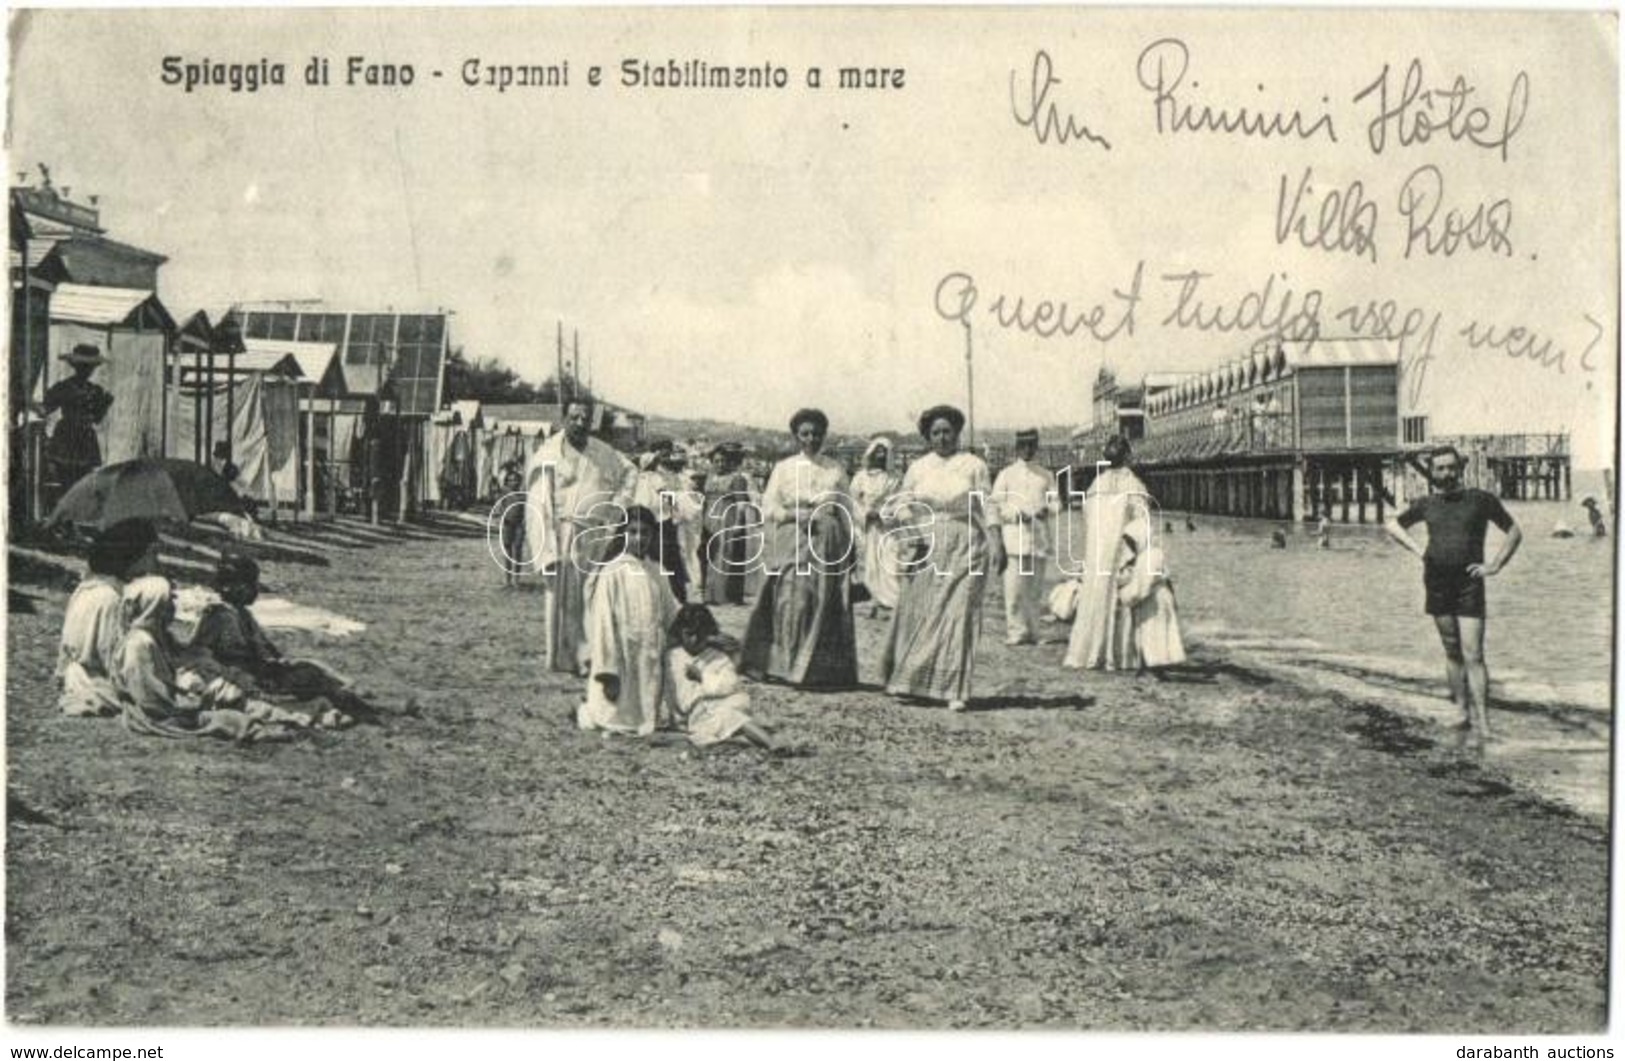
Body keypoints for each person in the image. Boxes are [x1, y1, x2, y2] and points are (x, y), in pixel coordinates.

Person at [1384, 447, 1523, 750]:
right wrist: (1419, 550)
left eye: (1450, 467)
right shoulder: (1427, 503)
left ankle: (1484, 722)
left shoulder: (1480, 500)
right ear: (1432, 473)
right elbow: (1392, 525)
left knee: (1474, 653)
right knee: (1451, 650)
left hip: (1469, 583)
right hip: (1436, 582)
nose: (1446, 473)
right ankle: (1461, 711)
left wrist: (1495, 565)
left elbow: (1514, 531)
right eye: (1440, 469)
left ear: (1459, 468)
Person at [880, 404, 1005, 711]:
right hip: (925, 543)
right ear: (927, 436)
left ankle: (955, 689)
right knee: (924, 611)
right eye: (936, 432)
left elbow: (987, 505)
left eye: (947, 431)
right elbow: (901, 503)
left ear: (957, 432)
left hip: (966, 542)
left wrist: (997, 541)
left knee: (959, 613)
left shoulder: (973, 465)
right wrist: (911, 533)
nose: (942, 438)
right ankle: (913, 682)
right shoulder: (918, 468)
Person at [741, 408, 859, 690]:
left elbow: (847, 509)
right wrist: (794, 516)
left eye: (817, 433)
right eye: (805, 433)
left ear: (824, 435)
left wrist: (852, 543)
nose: (811, 439)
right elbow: (768, 505)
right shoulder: (783, 468)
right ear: (796, 436)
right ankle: (784, 664)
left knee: (822, 599)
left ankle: (817, 669)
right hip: (792, 534)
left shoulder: (835, 469)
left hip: (827, 539)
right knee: (790, 596)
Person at [187, 552, 377, 725]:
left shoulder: (242, 614)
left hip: (261, 672)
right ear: (229, 586)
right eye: (248, 585)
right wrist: (238, 677)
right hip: (243, 680)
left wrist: (279, 664)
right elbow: (200, 656)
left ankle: (361, 703)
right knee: (309, 682)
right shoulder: (216, 617)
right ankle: (365, 708)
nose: (254, 590)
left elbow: (264, 648)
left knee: (311, 669)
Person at [113, 576, 309, 741]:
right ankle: (280, 727)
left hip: (173, 703)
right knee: (230, 720)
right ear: (155, 605)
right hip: (158, 715)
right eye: (168, 602)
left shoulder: (158, 637)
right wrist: (187, 702)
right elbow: (150, 699)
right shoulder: (139, 644)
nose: (173, 607)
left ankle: (290, 720)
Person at [524, 400, 638, 675]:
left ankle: (592, 657)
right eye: (573, 417)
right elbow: (538, 504)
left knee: (595, 596)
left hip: (596, 535)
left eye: (584, 418)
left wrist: (617, 506)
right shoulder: (548, 454)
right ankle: (566, 657)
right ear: (564, 419)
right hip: (562, 535)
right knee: (564, 600)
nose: (579, 423)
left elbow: (631, 473)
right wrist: (545, 549)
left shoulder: (604, 452)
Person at [577, 506, 680, 737]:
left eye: (645, 533)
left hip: (647, 654)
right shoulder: (613, 572)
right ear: (623, 534)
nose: (639, 539)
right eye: (632, 532)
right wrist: (607, 672)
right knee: (614, 717)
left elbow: (672, 614)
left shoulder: (657, 571)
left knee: (645, 713)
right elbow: (602, 625)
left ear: (653, 536)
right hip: (619, 657)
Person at [1063, 435, 1154, 671]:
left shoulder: (1096, 485)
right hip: (1122, 549)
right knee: (1121, 596)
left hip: (1097, 550)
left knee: (1096, 594)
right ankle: (1120, 655)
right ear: (1128, 456)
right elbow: (1142, 521)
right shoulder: (1134, 485)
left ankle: (1094, 650)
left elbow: (1087, 520)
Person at [57, 518, 159, 716]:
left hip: (76, 671)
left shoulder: (87, 588)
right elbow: (112, 657)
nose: (154, 562)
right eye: (151, 554)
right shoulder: (110, 598)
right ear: (134, 556)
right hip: (94, 679)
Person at [667, 604, 777, 752]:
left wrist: (703, 677)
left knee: (730, 716)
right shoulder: (672, 656)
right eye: (689, 634)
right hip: (692, 714)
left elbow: (730, 685)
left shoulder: (717, 657)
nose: (694, 640)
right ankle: (745, 741)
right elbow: (671, 690)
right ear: (680, 633)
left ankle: (771, 743)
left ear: (708, 634)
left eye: (700, 635)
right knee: (715, 729)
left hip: (719, 706)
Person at [990, 428, 1054, 646]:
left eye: (1031, 446)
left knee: (1035, 590)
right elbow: (996, 504)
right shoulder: (1006, 474)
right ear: (1017, 448)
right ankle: (1016, 631)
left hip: (1038, 538)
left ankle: (1035, 631)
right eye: (1023, 446)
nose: (1027, 450)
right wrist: (1016, 514)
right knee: (1014, 589)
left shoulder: (1046, 475)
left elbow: (1057, 502)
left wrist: (1048, 509)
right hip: (1014, 539)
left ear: (1036, 447)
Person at [40, 344, 114, 504]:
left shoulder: (96, 391)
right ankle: (65, 521)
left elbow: (96, 419)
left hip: (86, 440)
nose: (87, 370)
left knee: (82, 484)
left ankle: (73, 521)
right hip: (66, 438)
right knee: (66, 482)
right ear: (75, 366)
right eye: (83, 366)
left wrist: (105, 405)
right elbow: (46, 408)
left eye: (90, 367)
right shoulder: (63, 387)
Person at [1116, 513, 1186, 673]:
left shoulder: (1147, 558)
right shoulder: (1153, 553)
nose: (1130, 547)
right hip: (1161, 596)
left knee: (1152, 631)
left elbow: (1142, 587)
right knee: (1161, 631)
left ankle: (1156, 665)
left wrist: (1124, 596)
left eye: (1131, 543)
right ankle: (1157, 663)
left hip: (1154, 600)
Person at [849, 436, 903, 618]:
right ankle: (872, 598)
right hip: (865, 527)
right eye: (877, 452)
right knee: (869, 561)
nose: (880, 456)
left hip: (887, 527)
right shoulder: (860, 477)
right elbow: (852, 501)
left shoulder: (893, 479)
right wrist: (865, 514)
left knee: (890, 560)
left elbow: (898, 502)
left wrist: (881, 514)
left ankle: (890, 600)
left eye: (884, 453)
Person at [701, 442, 759, 606]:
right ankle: (710, 595)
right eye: (716, 461)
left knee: (725, 555)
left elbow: (741, 503)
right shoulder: (710, 477)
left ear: (729, 461)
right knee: (710, 555)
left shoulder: (737, 478)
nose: (720, 464)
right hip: (710, 518)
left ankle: (724, 595)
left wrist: (738, 524)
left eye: (723, 461)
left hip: (728, 518)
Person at [496, 461, 527, 587]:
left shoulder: (523, 493)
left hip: (519, 524)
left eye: (515, 480)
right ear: (506, 481)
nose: (513, 482)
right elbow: (499, 506)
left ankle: (516, 579)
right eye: (510, 480)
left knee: (518, 549)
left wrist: (526, 521)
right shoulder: (504, 491)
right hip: (507, 523)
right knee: (507, 550)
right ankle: (507, 579)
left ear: (519, 481)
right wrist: (502, 516)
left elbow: (527, 508)